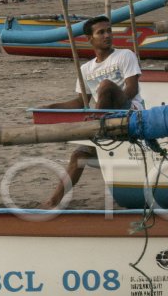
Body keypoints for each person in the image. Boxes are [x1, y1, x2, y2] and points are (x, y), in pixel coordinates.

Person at [41, 15, 143, 208]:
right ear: (90, 39)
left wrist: (101, 111)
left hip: (128, 111)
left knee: (104, 86)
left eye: (109, 31)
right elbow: (81, 102)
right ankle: (53, 201)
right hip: (102, 118)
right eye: (101, 32)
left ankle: (95, 129)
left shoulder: (124, 55)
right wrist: (50, 108)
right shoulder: (86, 68)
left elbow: (131, 90)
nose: (107, 35)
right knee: (77, 157)